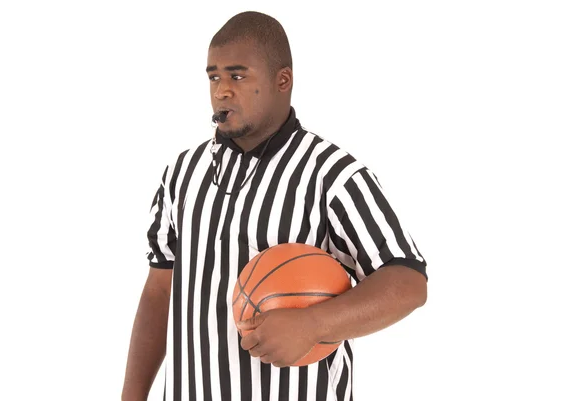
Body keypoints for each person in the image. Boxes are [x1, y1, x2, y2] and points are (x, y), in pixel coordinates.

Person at [122, 11, 428, 401]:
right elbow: (159, 293)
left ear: (283, 80)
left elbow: (407, 280)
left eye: (237, 75)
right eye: (213, 77)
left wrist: (314, 324)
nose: (221, 91)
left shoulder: (331, 174)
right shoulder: (182, 172)